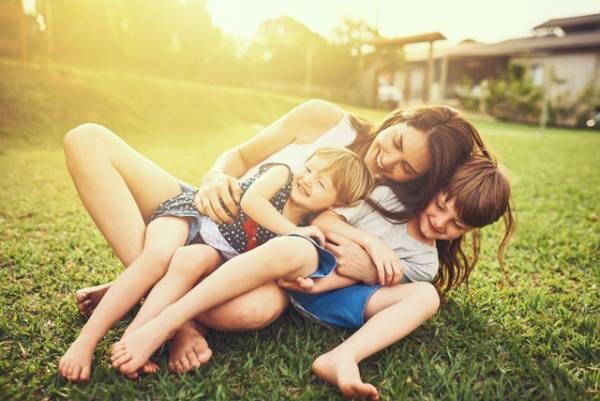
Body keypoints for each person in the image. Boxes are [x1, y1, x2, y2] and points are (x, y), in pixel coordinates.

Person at [60, 100, 487, 383]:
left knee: (248, 311)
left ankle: (151, 292)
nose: (387, 161)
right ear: (398, 119)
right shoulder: (325, 120)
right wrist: (215, 179)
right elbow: (241, 158)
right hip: (218, 212)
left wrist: (368, 261)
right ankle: (157, 295)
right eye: (395, 143)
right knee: (87, 139)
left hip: (259, 257)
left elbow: (386, 244)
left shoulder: (390, 196)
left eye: (407, 168)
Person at [108, 155, 514, 401]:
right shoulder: (389, 198)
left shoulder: (426, 262)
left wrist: (324, 284)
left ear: (468, 231)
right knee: (291, 253)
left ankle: (343, 357)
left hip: (333, 296)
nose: (439, 220)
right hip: (299, 264)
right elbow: (326, 221)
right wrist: (373, 245)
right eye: (442, 205)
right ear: (436, 189)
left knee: (425, 296)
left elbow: (373, 280)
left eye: (455, 223)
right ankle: (165, 319)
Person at [58, 147, 373, 380]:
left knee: (189, 259)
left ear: (335, 204)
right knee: (156, 258)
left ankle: (135, 339)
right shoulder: (282, 175)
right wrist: (294, 230)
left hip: (214, 252)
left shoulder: (309, 221)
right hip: (192, 217)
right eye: (311, 169)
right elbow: (252, 202)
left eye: (321, 184)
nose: (308, 180)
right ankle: (86, 342)